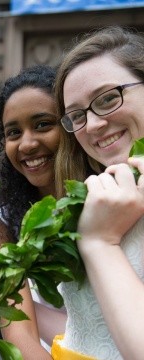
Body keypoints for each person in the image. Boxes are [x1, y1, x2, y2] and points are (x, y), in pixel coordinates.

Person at [53, 25, 144, 360]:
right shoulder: (93, 198)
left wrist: (99, 243)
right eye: (76, 115)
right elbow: (85, 323)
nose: (91, 126)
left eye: (108, 98)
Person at [0, 64, 66, 359]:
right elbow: (20, 334)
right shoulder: (1, 223)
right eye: (14, 132)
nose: (27, 144)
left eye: (42, 124)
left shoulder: (113, 194)